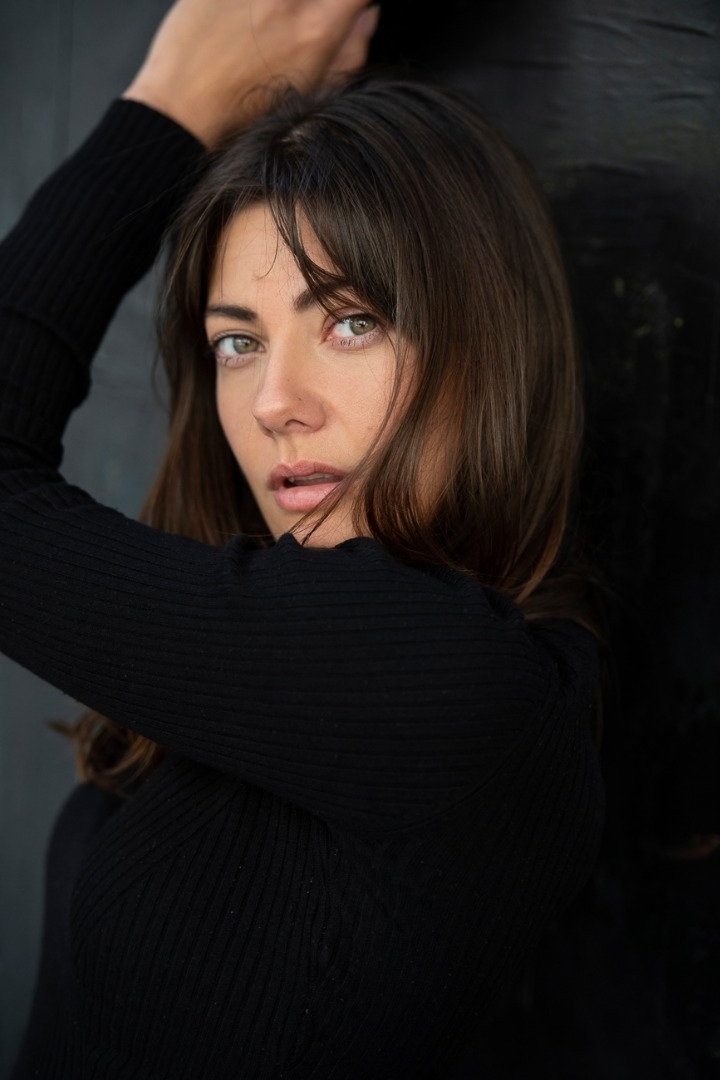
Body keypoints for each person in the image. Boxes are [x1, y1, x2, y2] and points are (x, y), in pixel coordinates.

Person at [0, 0, 604, 1076]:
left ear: (487, 345)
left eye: (351, 321)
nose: (275, 401)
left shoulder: (463, 687)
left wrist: (168, 109)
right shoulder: (270, 649)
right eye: (237, 343)